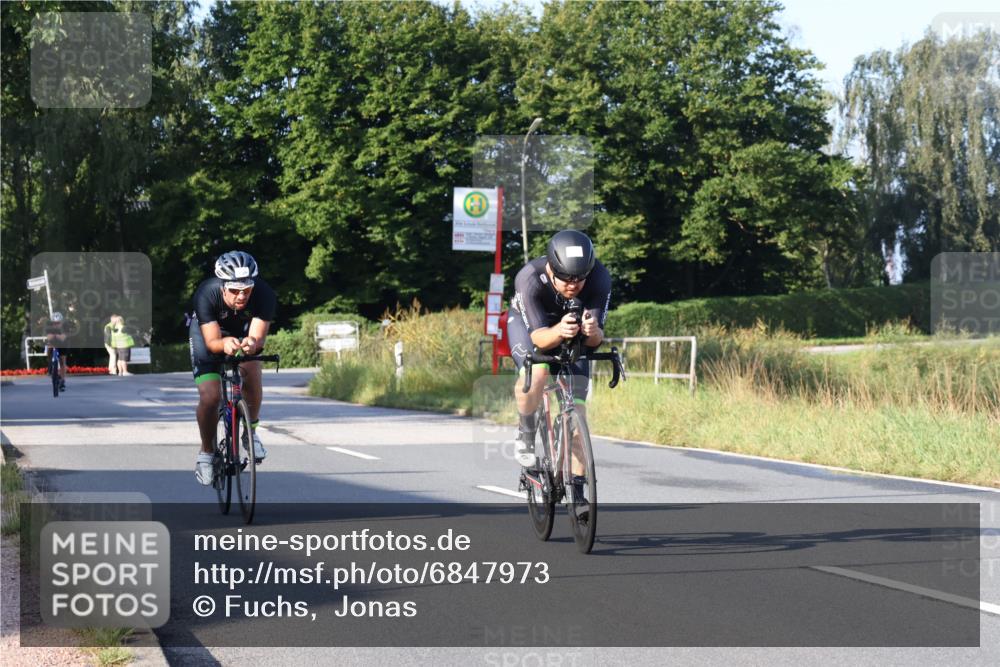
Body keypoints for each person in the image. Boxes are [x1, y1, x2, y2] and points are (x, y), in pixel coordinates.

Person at [507, 230, 612, 484]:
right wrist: (559, 330)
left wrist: (593, 331)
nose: (573, 284)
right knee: (538, 372)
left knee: (578, 412)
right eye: (565, 278)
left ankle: (577, 490)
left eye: (579, 278)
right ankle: (527, 431)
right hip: (531, 328)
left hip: (572, 331)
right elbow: (540, 338)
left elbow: (595, 341)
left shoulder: (599, 278)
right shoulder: (530, 278)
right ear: (551, 269)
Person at [189, 250, 276, 485]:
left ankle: (250, 432)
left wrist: (251, 344)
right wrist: (223, 343)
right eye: (235, 290)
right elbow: (212, 343)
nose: (241, 296)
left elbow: (257, 338)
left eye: (246, 290)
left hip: (241, 333)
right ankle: (206, 453)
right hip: (209, 336)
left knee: (252, 368)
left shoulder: (264, 294)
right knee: (211, 397)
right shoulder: (207, 293)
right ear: (223, 286)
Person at [45, 311, 68, 391]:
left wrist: (56, 336)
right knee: (49, 348)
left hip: (62, 344)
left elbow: (63, 338)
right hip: (52, 343)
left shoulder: (64, 328)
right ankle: (50, 365)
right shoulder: (49, 328)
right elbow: (49, 337)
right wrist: (55, 336)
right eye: (54, 323)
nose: (56, 324)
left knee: (63, 360)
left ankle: (62, 380)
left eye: (58, 323)